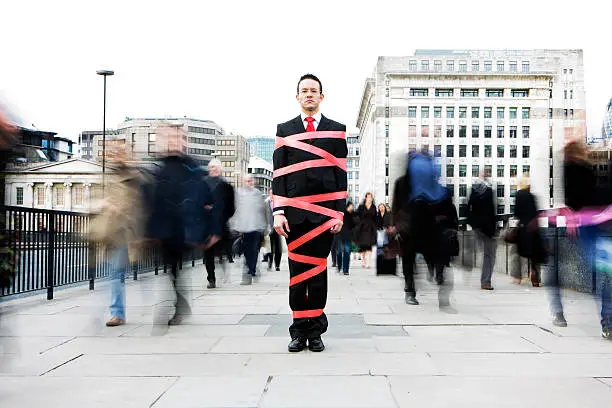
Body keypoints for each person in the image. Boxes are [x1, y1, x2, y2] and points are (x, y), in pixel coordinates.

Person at [273, 73, 347, 352]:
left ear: (321, 96)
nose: (309, 95)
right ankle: (298, 331)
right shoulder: (285, 130)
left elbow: (341, 175)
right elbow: (278, 175)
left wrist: (338, 213)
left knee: (317, 274)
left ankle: (315, 332)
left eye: (313, 91)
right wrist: (278, 211)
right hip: (293, 216)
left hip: (323, 217)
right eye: (304, 91)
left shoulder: (336, 131)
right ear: (298, 96)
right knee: (297, 275)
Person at [146, 126, 220, 325]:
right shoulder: (157, 168)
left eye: (177, 137)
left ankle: (177, 305)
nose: (173, 141)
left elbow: (207, 201)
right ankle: (180, 304)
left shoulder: (193, 168)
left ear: (184, 141)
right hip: (164, 229)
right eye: (169, 137)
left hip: (185, 229)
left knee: (175, 268)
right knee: (170, 268)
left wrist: (212, 230)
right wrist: (148, 229)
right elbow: (151, 200)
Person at [89, 147, 151, 327]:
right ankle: (116, 311)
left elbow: (140, 209)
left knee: (116, 273)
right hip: (109, 233)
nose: (116, 157)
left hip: (125, 233)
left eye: (120, 154)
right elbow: (97, 201)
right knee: (114, 274)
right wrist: (103, 205)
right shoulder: (108, 177)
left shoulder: (136, 179)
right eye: (114, 154)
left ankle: (117, 313)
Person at [392, 150, 457, 309]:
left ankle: (439, 294)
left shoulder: (437, 188)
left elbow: (448, 211)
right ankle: (410, 291)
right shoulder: (404, 184)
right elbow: (397, 207)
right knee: (409, 260)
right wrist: (398, 227)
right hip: (410, 229)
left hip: (429, 230)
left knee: (436, 262)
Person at [230, 175, 268, 285]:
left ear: (253, 181)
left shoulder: (257, 194)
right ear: (243, 182)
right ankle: (250, 269)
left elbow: (263, 210)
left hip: (256, 227)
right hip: (244, 227)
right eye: (246, 181)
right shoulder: (238, 193)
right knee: (246, 250)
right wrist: (235, 225)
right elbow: (236, 209)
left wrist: (265, 226)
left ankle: (252, 270)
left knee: (254, 250)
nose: (248, 183)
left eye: (250, 181)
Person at [204, 159, 235, 288]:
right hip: (206, 224)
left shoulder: (227, 186)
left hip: (221, 224)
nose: (214, 169)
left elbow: (232, 207)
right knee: (208, 253)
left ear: (221, 169)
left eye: (216, 167)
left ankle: (222, 265)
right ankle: (211, 278)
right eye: (211, 167)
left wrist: (221, 214)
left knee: (221, 249)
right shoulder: (203, 184)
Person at [511, 174, 546, 287]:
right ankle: (535, 277)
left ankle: (518, 277)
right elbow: (536, 213)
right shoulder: (532, 196)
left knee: (518, 253)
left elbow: (516, 213)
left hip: (523, 228)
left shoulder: (518, 195)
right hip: (533, 229)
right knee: (535, 254)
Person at [467, 169, 497, 290]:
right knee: (489, 255)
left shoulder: (474, 189)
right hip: (487, 228)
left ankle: (485, 281)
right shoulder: (490, 190)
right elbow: (492, 210)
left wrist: (473, 223)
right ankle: (485, 281)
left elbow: (468, 207)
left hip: (478, 226)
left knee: (485, 254)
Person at [353, 192, 377, 268]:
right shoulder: (361, 206)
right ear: (366, 198)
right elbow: (356, 215)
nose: (370, 198)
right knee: (363, 246)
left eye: (371, 197)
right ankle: (363, 261)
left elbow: (375, 217)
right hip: (362, 228)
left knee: (369, 245)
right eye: (368, 197)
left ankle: (369, 263)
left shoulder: (373, 207)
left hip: (371, 228)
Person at [376, 203, 397, 276]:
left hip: (388, 234)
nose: (381, 208)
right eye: (380, 207)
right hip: (379, 234)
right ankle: (380, 270)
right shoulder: (377, 216)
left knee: (388, 251)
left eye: (382, 207)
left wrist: (387, 229)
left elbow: (391, 224)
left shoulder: (388, 215)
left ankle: (390, 270)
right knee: (379, 252)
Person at [264, 188, 282, 271]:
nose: (272, 195)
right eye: (271, 193)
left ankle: (277, 265)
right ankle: (270, 264)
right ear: (269, 194)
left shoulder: (278, 203)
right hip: (269, 228)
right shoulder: (266, 203)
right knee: (269, 247)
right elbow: (264, 215)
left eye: (273, 193)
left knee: (278, 248)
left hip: (278, 228)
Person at [336, 202, 356, 275]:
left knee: (347, 252)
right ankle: (339, 266)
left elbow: (355, 224)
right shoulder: (342, 213)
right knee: (339, 252)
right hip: (339, 235)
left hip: (348, 236)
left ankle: (346, 270)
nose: (351, 208)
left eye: (352, 207)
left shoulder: (352, 215)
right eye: (350, 206)